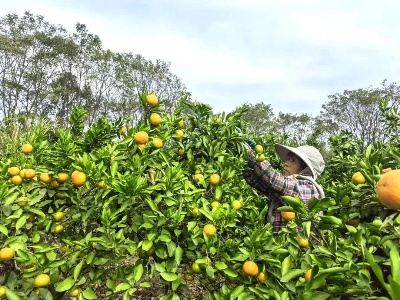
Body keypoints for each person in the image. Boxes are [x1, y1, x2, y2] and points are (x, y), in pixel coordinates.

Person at [243, 141, 325, 231]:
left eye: (293, 161)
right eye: (288, 159)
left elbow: (272, 179)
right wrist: (242, 154)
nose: (286, 163)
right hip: (278, 243)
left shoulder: (306, 186)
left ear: (304, 169)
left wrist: (248, 151)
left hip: (295, 243)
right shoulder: (285, 189)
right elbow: (256, 181)